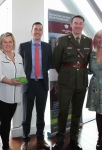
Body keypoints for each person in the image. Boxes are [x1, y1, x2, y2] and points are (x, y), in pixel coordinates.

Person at [52, 15, 92, 150]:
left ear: (83, 26)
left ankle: (74, 139)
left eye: (80, 23)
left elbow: (89, 61)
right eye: (75, 23)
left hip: (81, 80)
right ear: (71, 24)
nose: (78, 26)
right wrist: (66, 74)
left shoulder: (88, 41)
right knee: (63, 111)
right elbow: (56, 61)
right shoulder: (62, 40)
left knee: (77, 111)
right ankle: (60, 139)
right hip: (65, 81)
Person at [19, 22, 52, 150]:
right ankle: (25, 140)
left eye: (40, 30)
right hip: (28, 84)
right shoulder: (23, 46)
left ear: (42, 32)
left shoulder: (47, 47)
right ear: (31, 31)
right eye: (35, 29)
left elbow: (49, 63)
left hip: (42, 84)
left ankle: (40, 138)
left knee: (41, 114)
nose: (37, 31)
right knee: (26, 115)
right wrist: (23, 80)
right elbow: (19, 66)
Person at [0, 32, 25, 150]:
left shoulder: (19, 57)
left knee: (8, 121)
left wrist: (24, 79)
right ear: (1, 43)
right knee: (5, 122)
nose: (8, 44)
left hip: (15, 96)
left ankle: (5, 143)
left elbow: (22, 73)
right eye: (5, 42)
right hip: (1, 96)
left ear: (13, 43)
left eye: (10, 41)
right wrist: (11, 82)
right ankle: (5, 146)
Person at [86, 30, 102, 150]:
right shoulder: (91, 54)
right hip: (95, 86)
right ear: (95, 39)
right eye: (98, 37)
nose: (100, 40)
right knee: (99, 113)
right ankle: (100, 137)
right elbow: (89, 70)